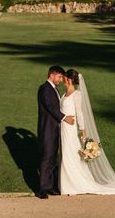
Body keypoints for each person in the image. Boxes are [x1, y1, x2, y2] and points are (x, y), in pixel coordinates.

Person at [37, 65, 74, 199]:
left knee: (53, 158)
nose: (60, 80)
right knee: (47, 157)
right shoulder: (45, 88)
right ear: (51, 75)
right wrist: (65, 118)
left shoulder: (54, 89)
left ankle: (51, 186)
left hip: (54, 129)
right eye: (59, 77)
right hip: (47, 129)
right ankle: (42, 188)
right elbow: (51, 107)